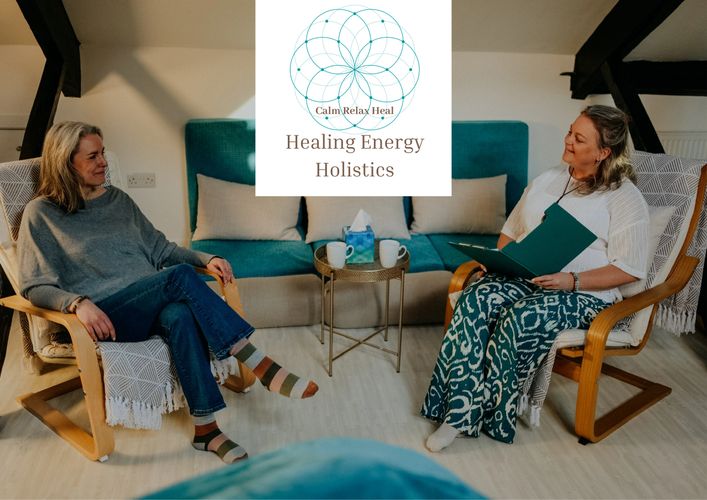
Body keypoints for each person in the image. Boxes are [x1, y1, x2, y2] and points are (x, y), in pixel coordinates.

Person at [17, 121, 319, 463]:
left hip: (149, 303)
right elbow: (34, 284)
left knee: (180, 314)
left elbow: (161, 249)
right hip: (106, 316)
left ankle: (206, 430)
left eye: (102, 153)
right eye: (93, 156)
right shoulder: (41, 214)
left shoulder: (118, 200)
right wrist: (76, 303)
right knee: (178, 278)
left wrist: (206, 259)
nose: (103, 162)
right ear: (65, 162)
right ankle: (257, 361)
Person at [421, 105, 649, 451]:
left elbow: (629, 269)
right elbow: (509, 233)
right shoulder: (548, 179)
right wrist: (503, 261)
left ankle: (495, 417)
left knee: (519, 317)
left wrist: (571, 280)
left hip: (582, 294)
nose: (568, 141)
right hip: (527, 276)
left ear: (603, 153)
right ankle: (457, 413)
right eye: (570, 131)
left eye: (579, 139)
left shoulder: (625, 198)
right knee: (475, 297)